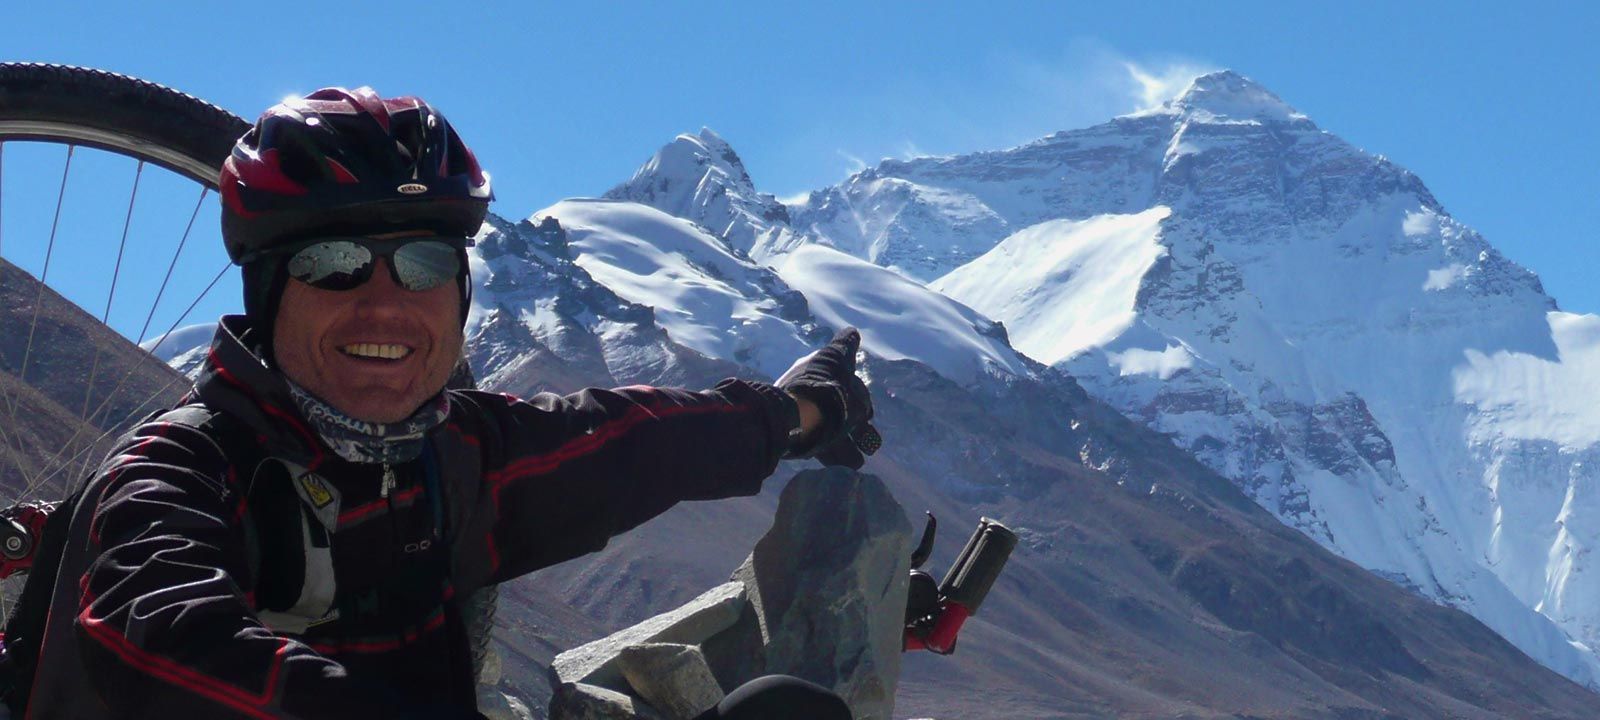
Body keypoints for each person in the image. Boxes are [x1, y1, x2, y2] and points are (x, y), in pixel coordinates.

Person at [18, 88, 875, 719]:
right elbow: (155, 630)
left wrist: (792, 416)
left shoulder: (446, 457)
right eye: (335, 264)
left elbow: (626, 444)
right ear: (269, 290)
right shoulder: (177, 468)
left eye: (424, 265)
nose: (386, 304)